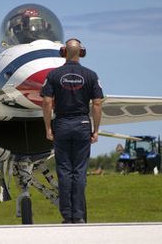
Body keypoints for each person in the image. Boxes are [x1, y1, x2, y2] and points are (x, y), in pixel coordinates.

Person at [41, 38, 103, 224]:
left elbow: (46, 102)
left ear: (63, 52)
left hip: (62, 125)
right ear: (81, 52)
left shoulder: (53, 75)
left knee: (65, 171)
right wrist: (96, 130)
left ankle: (67, 216)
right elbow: (97, 103)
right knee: (80, 171)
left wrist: (48, 128)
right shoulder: (91, 75)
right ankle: (79, 215)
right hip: (83, 124)